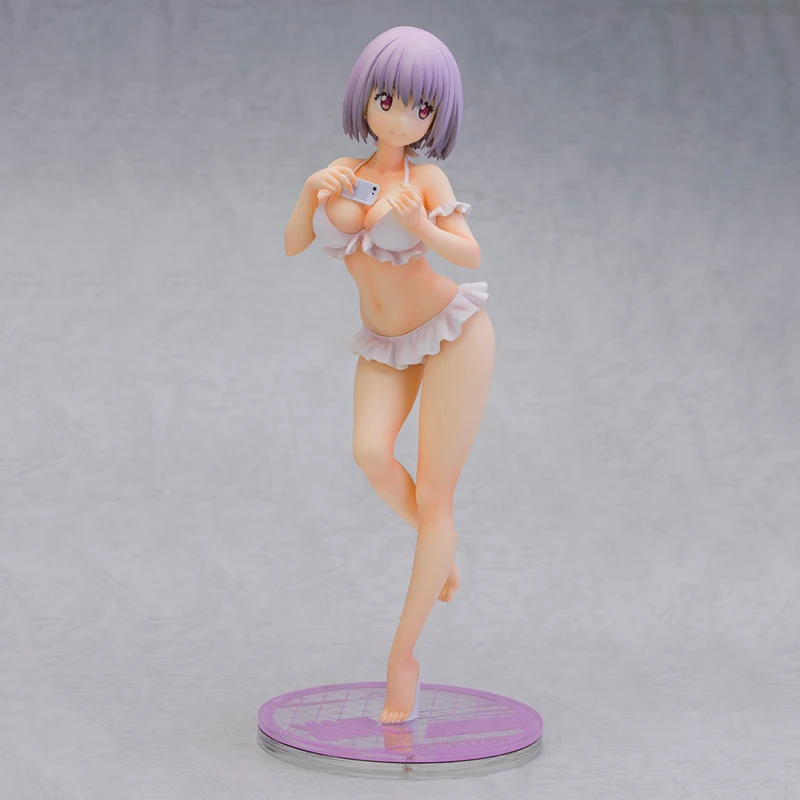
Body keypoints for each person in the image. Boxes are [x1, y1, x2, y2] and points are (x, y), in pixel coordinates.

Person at [284, 26, 495, 724]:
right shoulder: (343, 171)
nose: (402, 118)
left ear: (436, 117)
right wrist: (309, 193)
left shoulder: (426, 180)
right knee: (371, 454)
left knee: (435, 493)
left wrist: (424, 226)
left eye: (421, 108)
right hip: (383, 342)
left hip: (453, 334)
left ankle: (402, 659)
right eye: (388, 100)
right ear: (366, 99)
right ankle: (441, 547)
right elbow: (293, 244)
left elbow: (468, 253)